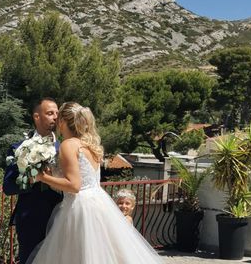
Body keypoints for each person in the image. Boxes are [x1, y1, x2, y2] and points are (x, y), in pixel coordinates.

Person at [29, 102, 162, 264]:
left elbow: (74, 185)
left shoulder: (68, 145)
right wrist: (52, 176)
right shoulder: (90, 145)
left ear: (63, 121)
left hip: (79, 207)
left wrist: (41, 177)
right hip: (99, 203)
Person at [3, 98, 63, 264]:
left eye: (57, 113)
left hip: (62, 217)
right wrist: (34, 178)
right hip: (31, 219)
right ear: (37, 117)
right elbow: (8, 187)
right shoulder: (18, 148)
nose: (55, 117)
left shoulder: (65, 148)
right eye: (50, 113)